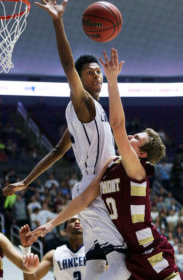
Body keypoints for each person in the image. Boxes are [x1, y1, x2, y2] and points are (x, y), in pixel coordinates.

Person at [3, 0, 130, 280]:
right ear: (80, 79)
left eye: (99, 72)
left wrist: (26, 180)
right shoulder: (83, 103)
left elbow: (57, 152)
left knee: (97, 260)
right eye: (90, 72)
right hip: (97, 190)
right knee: (124, 261)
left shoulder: (85, 112)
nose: (97, 75)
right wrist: (58, 22)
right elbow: (66, 65)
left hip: (89, 190)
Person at [28, 49, 183, 279]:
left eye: (137, 138)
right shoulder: (112, 165)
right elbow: (83, 199)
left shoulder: (136, 170)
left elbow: (117, 126)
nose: (131, 137)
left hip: (151, 251)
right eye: (134, 135)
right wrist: (50, 224)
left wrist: (112, 80)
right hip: (131, 255)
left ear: (142, 153)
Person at [20, 216, 86, 280]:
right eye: (72, 221)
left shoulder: (94, 251)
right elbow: (32, 278)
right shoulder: (53, 254)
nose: (77, 222)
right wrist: (26, 248)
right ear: (65, 230)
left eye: (81, 221)